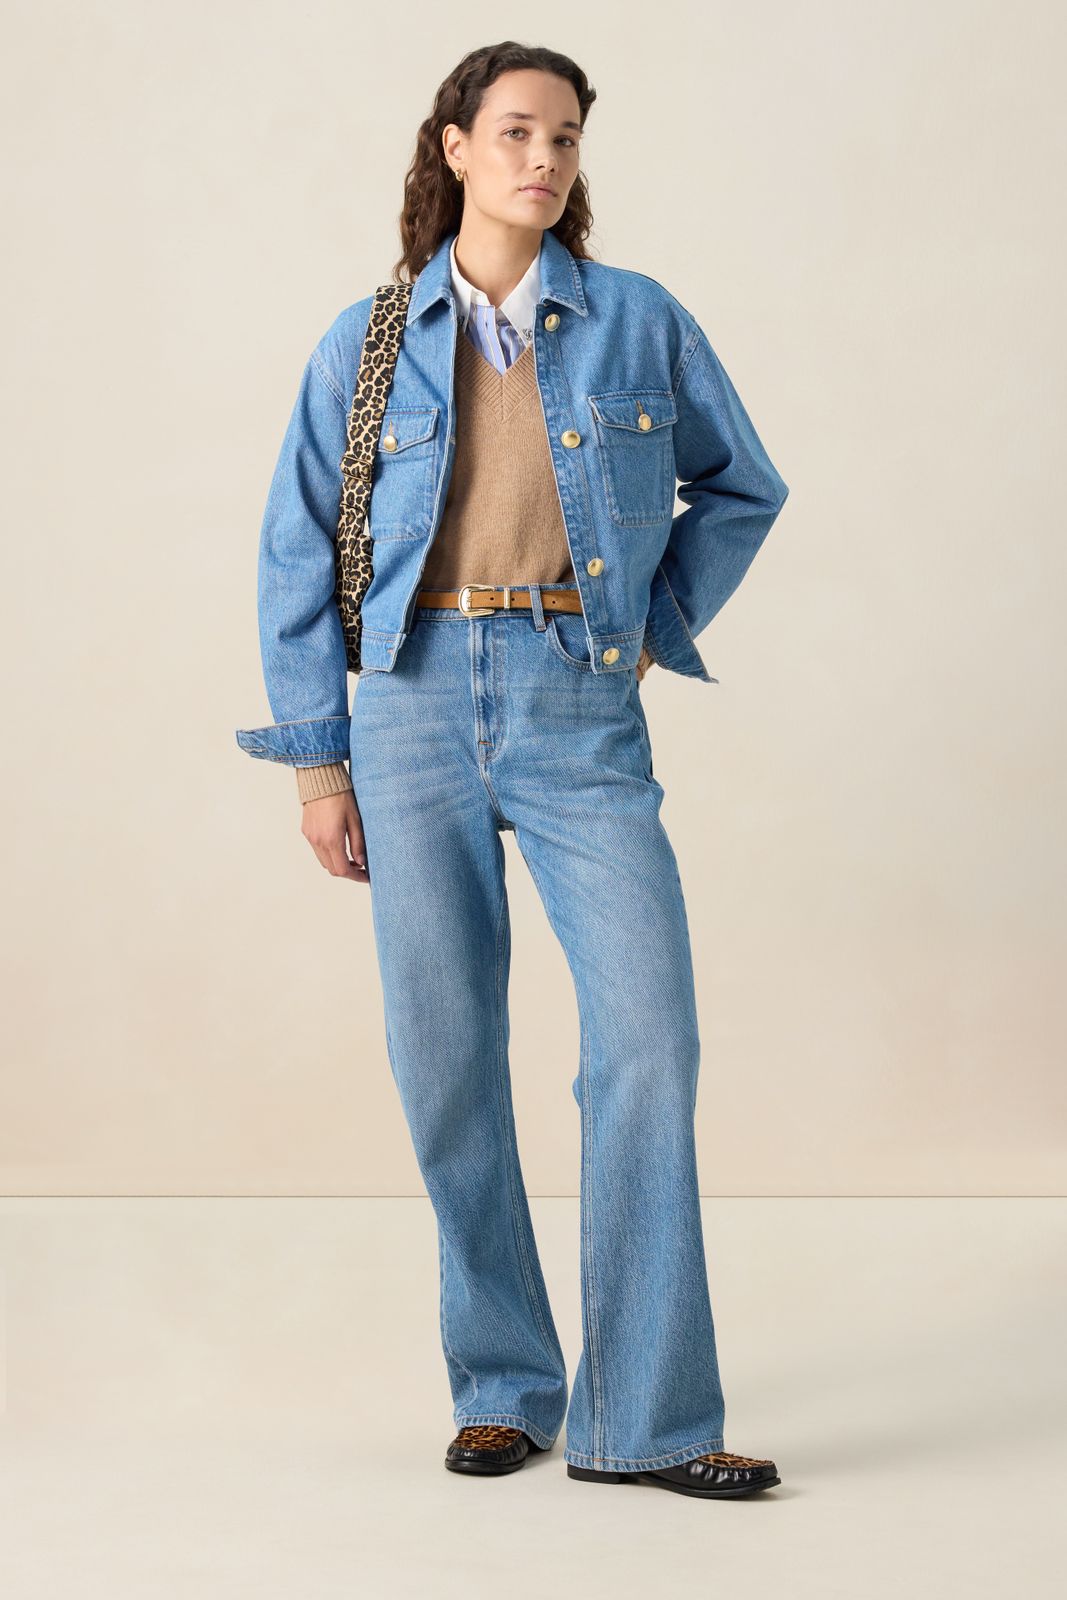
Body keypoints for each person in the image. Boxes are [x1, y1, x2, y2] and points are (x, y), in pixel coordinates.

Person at [236, 41, 789, 1499]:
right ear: (457, 147)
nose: (546, 159)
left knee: (647, 1041)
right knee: (447, 1064)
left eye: (567, 139)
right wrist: (316, 765)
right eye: (519, 133)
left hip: (575, 704)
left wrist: (648, 629)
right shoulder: (366, 342)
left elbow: (743, 484)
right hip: (409, 707)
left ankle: (646, 1421)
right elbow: (297, 549)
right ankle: (504, 1385)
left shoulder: (637, 320)